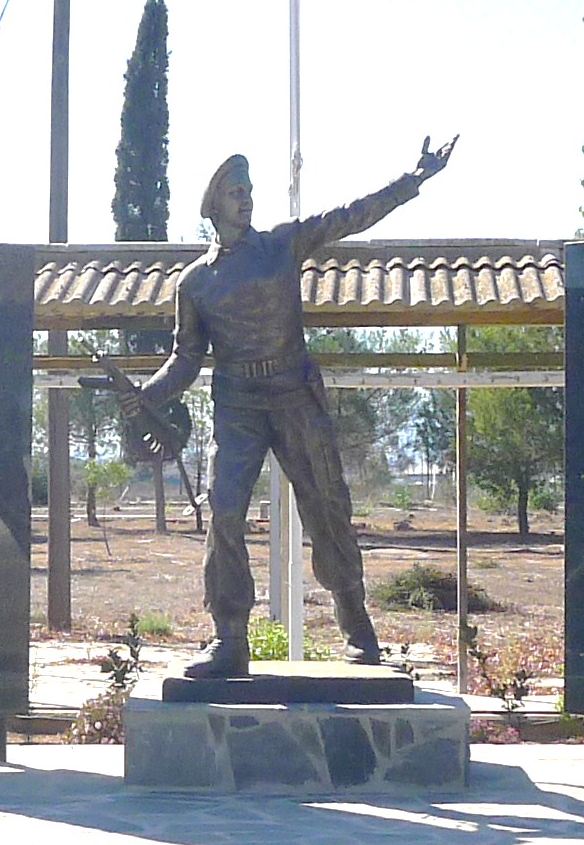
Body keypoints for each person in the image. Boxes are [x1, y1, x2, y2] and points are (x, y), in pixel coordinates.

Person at [101, 138, 455, 676]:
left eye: (248, 190)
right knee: (224, 510)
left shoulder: (282, 244)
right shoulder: (195, 283)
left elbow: (348, 216)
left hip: (293, 394)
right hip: (237, 405)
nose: (246, 199)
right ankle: (229, 637)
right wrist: (146, 394)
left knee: (327, 505)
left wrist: (413, 180)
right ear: (213, 205)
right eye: (235, 192)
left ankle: (356, 624)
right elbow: (186, 358)